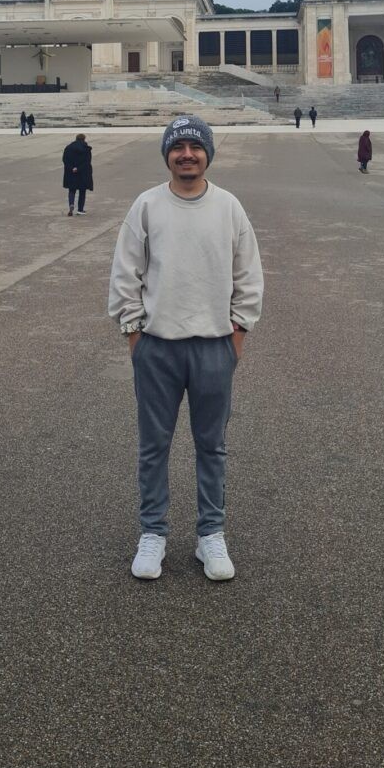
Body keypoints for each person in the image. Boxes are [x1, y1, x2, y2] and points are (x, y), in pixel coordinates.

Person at [109, 115, 263, 584]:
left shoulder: (229, 207)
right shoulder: (147, 206)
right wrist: (134, 334)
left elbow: (248, 276)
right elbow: (125, 273)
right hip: (157, 348)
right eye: (179, 147)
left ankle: (210, 533)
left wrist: (237, 335)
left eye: (196, 146)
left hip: (215, 347)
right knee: (154, 446)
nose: (188, 154)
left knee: (211, 446)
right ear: (167, 155)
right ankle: (153, 532)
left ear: (208, 154)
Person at [62, 133, 93, 215]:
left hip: (70, 172)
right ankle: (80, 209)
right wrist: (78, 168)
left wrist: (72, 168)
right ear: (84, 139)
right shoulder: (86, 149)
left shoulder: (68, 148)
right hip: (82, 173)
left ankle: (71, 204)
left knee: (72, 190)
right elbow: (87, 162)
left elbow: (65, 159)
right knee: (82, 191)